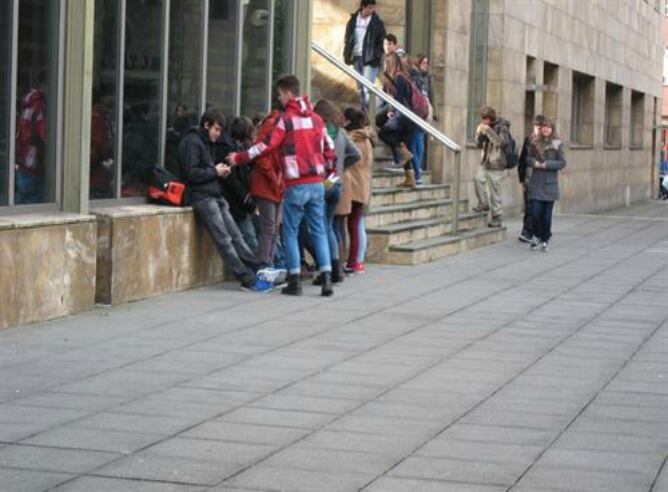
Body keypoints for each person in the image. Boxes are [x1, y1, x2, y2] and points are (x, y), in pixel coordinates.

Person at [226, 75, 336, 297]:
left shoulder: (285, 120)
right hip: (316, 183)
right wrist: (327, 172)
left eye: (279, 94)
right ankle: (326, 278)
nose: (279, 98)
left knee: (291, 232)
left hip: (296, 184)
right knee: (319, 230)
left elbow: (265, 147)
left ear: (287, 93)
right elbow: (330, 147)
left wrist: (238, 158)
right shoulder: (317, 119)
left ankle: (294, 281)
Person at [178, 109, 281, 293]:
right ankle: (247, 278)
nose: (218, 134)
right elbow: (190, 173)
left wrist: (218, 172)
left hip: (214, 194)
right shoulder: (192, 142)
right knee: (224, 239)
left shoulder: (207, 141)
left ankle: (257, 270)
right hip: (202, 196)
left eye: (220, 130)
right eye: (216, 129)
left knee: (236, 236)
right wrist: (215, 172)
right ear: (206, 125)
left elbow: (203, 170)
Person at [215, 116, 260, 252]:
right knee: (249, 236)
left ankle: (261, 266)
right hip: (237, 202)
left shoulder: (234, 148)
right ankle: (260, 267)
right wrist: (248, 202)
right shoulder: (228, 150)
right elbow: (232, 181)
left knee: (251, 235)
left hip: (240, 201)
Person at [251, 109, 285, 268]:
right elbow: (260, 155)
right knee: (270, 227)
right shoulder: (272, 124)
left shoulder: (281, 125)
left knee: (273, 228)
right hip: (267, 183)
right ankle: (264, 266)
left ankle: (268, 265)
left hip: (275, 184)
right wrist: (274, 178)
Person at [526, 118, 566, 252]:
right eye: (544, 127)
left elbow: (562, 163)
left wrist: (547, 164)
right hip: (537, 183)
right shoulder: (534, 141)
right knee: (536, 213)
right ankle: (536, 236)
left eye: (548, 127)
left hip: (550, 185)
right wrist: (534, 163)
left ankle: (545, 239)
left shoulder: (557, 143)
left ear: (552, 129)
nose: (546, 129)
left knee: (546, 215)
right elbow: (527, 158)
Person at [377, 52, 415, 188]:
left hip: (404, 117)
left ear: (390, 64)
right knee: (403, 144)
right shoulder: (403, 76)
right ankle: (410, 179)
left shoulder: (399, 77)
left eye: (386, 64)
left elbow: (399, 100)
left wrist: (391, 112)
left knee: (383, 133)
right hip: (409, 118)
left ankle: (403, 152)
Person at [343, 107, 374, 274]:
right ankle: (357, 261)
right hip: (363, 185)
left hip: (354, 185)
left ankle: (352, 262)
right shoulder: (367, 139)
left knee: (352, 226)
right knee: (357, 224)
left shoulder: (353, 139)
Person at [343, 0, 386, 109]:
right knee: (359, 89)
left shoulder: (377, 22)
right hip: (356, 57)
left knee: (367, 90)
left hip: (370, 60)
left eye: (373, 8)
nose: (373, 10)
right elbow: (348, 38)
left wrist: (376, 55)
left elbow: (381, 41)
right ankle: (365, 115)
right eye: (370, 8)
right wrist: (347, 53)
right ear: (363, 7)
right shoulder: (353, 20)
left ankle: (371, 116)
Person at [474, 106, 511, 228]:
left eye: (487, 118)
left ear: (492, 118)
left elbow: (501, 142)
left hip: (496, 163)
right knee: (478, 179)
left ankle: (497, 217)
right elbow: (479, 144)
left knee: (495, 191)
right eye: (483, 118)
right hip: (485, 161)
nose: (485, 121)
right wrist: (480, 134)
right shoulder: (484, 126)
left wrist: (489, 131)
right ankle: (484, 203)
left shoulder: (502, 127)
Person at [15, 70, 47, 204]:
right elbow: (44, 135)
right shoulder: (39, 105)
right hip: (34, 165)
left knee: (20, 205)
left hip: (24, 162)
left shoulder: (28, 103)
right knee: (33, 206)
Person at [517, 114, 546, 242]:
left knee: (538, 206)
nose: (538, 130)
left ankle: (536, 230)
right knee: (529, 206)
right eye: (536, 127)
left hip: (542, 179)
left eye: (540, 127)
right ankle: (527, 231)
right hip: (529, 178)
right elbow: (522, 159)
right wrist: (522, 178)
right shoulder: (528, 139)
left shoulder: (548, 142)